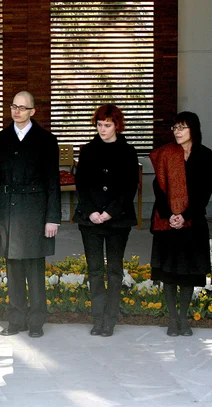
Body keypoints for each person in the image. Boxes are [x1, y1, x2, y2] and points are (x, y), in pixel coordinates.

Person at [0, 91, 61, 338]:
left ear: (32, 111)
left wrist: (53, 217)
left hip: (36, 211)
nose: (16, 111)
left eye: (22, 107)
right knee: (13, 269)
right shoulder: (1, 138)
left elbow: (53, 181)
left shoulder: (46, 140)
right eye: (13, 106)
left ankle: (37, 322)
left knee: (34, 270)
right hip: (7, 210)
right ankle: (16, 321)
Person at [73, 104, 139, 337]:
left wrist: (110, 212)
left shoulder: (129, 152)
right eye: (99, 125)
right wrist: (91, 211)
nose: (102, 129)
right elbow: (81, 184)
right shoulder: (88, 150)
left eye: (107, 125)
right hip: (89, 220)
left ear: (117, 126)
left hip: (117, 220)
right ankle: (98, 318)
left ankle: (110, 320)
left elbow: (130, 186)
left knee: (113, 270)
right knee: (94, 270)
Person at [149, 111, 212, 337]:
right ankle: (172, 319)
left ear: (193, 129)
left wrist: (185, 216)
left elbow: (204, 193)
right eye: (175, 128)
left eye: (182, 127)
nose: (177, 132)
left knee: (187, 273)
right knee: (169, 273)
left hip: (192, 223)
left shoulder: (206, 156)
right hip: (167, 223)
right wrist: (170, 215)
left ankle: (183, 318)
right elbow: (159, 188)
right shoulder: (167, 154)